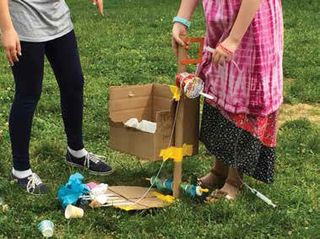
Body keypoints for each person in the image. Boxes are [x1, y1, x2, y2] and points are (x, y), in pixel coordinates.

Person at [172, 0, 283, 201]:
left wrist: (233, 39)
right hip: (222, 20)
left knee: (243, 96)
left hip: (250, 25)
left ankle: (234, 179)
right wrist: (181, 20)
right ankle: (219, 171)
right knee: (220, 90)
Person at [0, 0, 112, 195]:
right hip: (24, 21)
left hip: (57, 19)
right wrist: (7, 29)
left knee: (73, 84)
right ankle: (20, 170)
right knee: (28, 94)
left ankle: (76, 152)